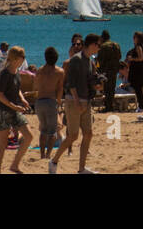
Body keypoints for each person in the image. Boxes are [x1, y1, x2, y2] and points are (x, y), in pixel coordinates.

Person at [51, 33, 99, 174]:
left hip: (86, 100)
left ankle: (81, 168)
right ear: (91, 44)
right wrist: (77, 101)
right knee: (73, 136)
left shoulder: (90, 61)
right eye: (98, 45)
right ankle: (54, 161)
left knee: (88, 134)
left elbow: (88, 80)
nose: (99, 48)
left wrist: (96, 85)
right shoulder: (76, 60)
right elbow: (71, 83)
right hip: (74, 101)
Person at [0, 45, 32, 174]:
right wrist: (14, 106)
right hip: (4, 110)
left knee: (29, 136)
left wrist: (22, 99)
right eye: (23, 57)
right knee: (3, 142)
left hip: (15, 109)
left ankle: (14, 165)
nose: (24, 60)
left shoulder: (17, 72)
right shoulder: (5, 73)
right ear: (16, 58)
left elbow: (17, 89)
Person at [34, 47, 63, 159]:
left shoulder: (40, 70)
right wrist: (59, 102)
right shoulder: (59, 72)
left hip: (39, 102)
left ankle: (42, 154)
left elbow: (36, 85)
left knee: (43, 129)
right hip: (51, 101)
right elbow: (60, 89)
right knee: (52, 131)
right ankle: (48, 154)